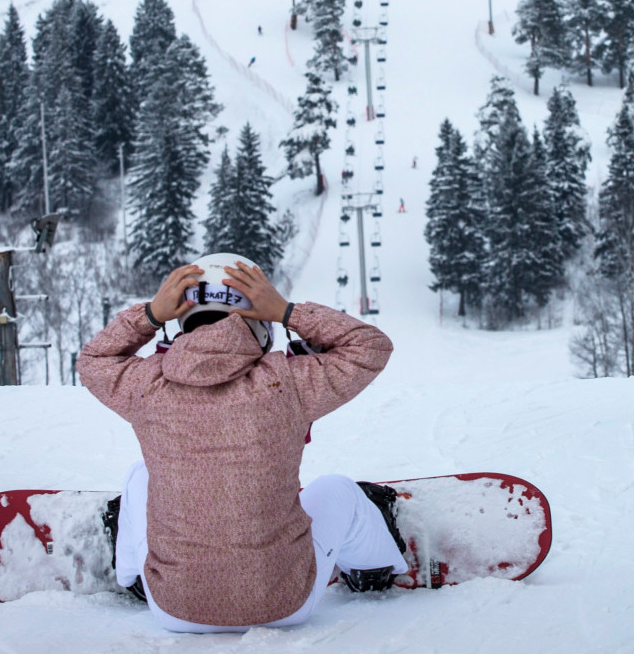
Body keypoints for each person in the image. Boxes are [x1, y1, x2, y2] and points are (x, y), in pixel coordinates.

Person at [77, 253, 406, 633]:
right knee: (338, 490)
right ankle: (373, 570)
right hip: (284, 604)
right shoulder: (288, 382)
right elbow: (370, 346)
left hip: (173, 609)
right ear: (261, 325)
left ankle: (135, 578)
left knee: (139, 476)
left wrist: (149, 314)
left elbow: (93, 359)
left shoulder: (146, 385)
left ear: (181, 322)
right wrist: (288, 311)